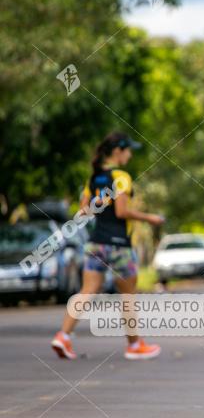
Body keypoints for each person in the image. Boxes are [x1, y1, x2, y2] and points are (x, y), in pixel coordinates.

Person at [51, 132, 164, 361]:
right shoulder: (121, 176)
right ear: (117, 151)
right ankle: (134, 345)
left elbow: (83, 211)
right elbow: (122, 212)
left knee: (87, 290)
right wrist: (149, 218)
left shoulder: (93, 178)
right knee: (128, 295)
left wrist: (99, 203)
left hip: (96, 243)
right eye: (128, 150)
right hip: (119, 244)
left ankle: (63, 336)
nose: (130, 155)